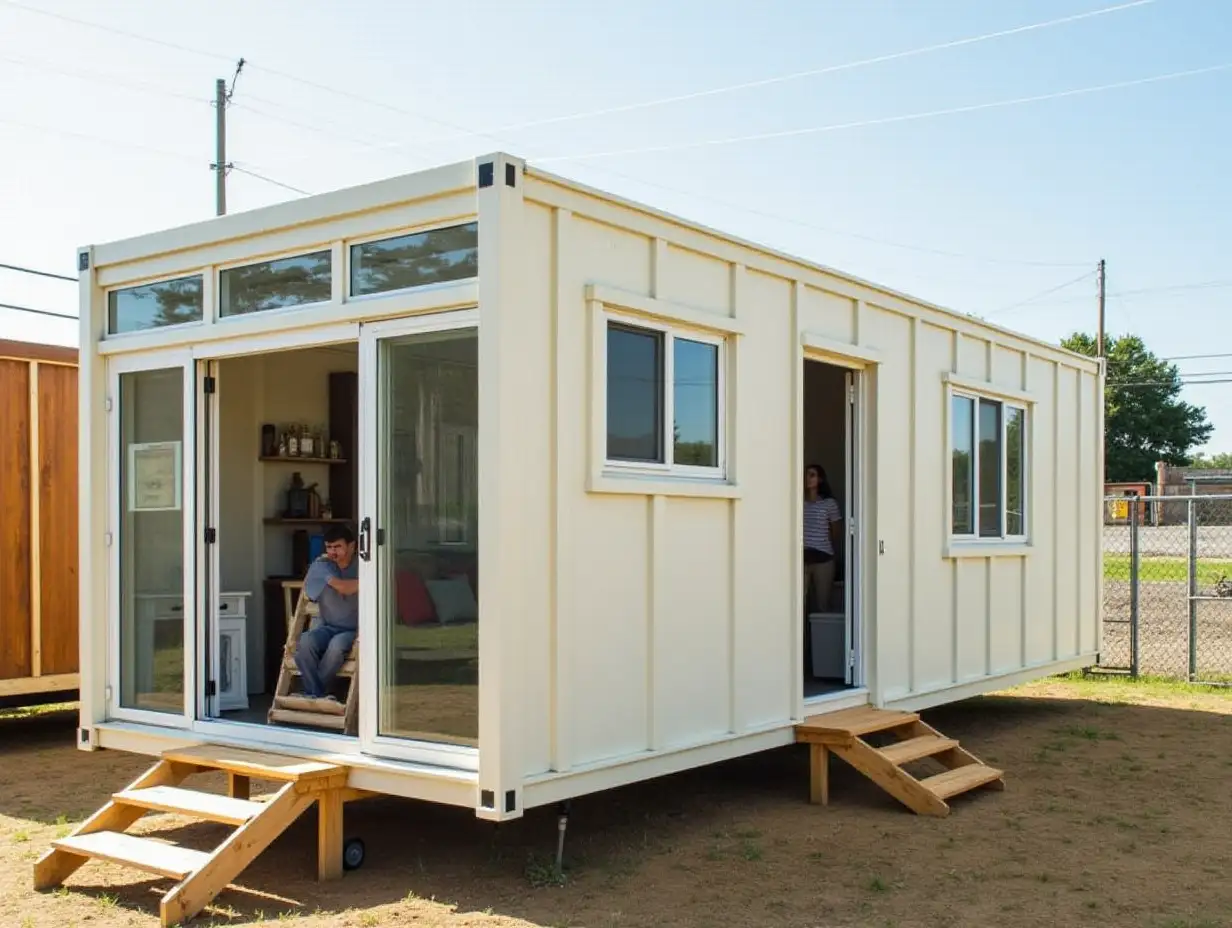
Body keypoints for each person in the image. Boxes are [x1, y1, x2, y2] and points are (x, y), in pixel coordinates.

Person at [293, 523, 359, 703]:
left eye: (337, 546)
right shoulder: (322, 565)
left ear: (352, 546)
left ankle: (313, 693)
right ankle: (318, 693)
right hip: (328, 626)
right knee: (305, 641)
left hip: (354, 630)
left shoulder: (363, 565)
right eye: (329, 547)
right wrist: (369, 581)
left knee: (337, 646)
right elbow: (342, 587)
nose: (332, 552)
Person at [803, 464, 843, 615]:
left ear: (819, 479)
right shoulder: (799, 502)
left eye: (812, 475)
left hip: (823, 559)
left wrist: (823, 545)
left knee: (822, 604)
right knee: (800, 606)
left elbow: (836, 530)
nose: (808, 478)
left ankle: (821, 636)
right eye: (806, 475)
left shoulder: (829, 504)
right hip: (803, 559)